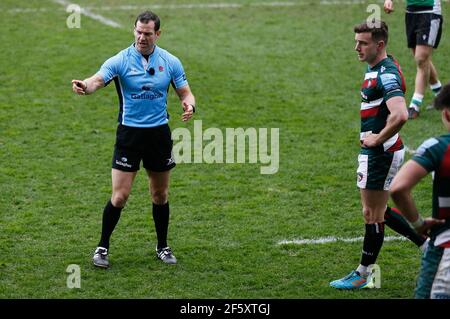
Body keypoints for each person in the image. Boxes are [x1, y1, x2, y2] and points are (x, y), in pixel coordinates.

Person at [71, 11, 196, 268]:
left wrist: (189, 105)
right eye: (138, 31)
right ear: (134, 31)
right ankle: (102, 248)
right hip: (129, 134)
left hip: (159, 134)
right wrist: (85, 86)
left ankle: (162, 247)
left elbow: (185, 91)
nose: (141, 37)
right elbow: (98, 79)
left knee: (160, 194)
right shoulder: (120, 60)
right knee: (120, 196)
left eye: (147, 33)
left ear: (157, 34)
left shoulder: (170, 62)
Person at [330, 21, 427, 289]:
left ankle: (363, 273)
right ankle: (428, 246)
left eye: (362, 43)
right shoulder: (378, 67)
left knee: (371, 213)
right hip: (380, 151)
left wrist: (377, 139)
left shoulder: (385, 75)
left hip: (380, 153)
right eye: (356, 41)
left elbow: (401, 114)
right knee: (378, 210)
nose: (356, 48)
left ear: (379, 45)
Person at [390, 83, 450, 299]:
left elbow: (398, 188)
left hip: (445, 250)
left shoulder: (438, 147)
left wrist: (419, 224)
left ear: (447, 114)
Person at [384, 0, 443, 119]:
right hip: (411, 12)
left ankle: (414, 105)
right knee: (422, 59)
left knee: (421, 58)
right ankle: (441, 95)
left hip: (430, 11)